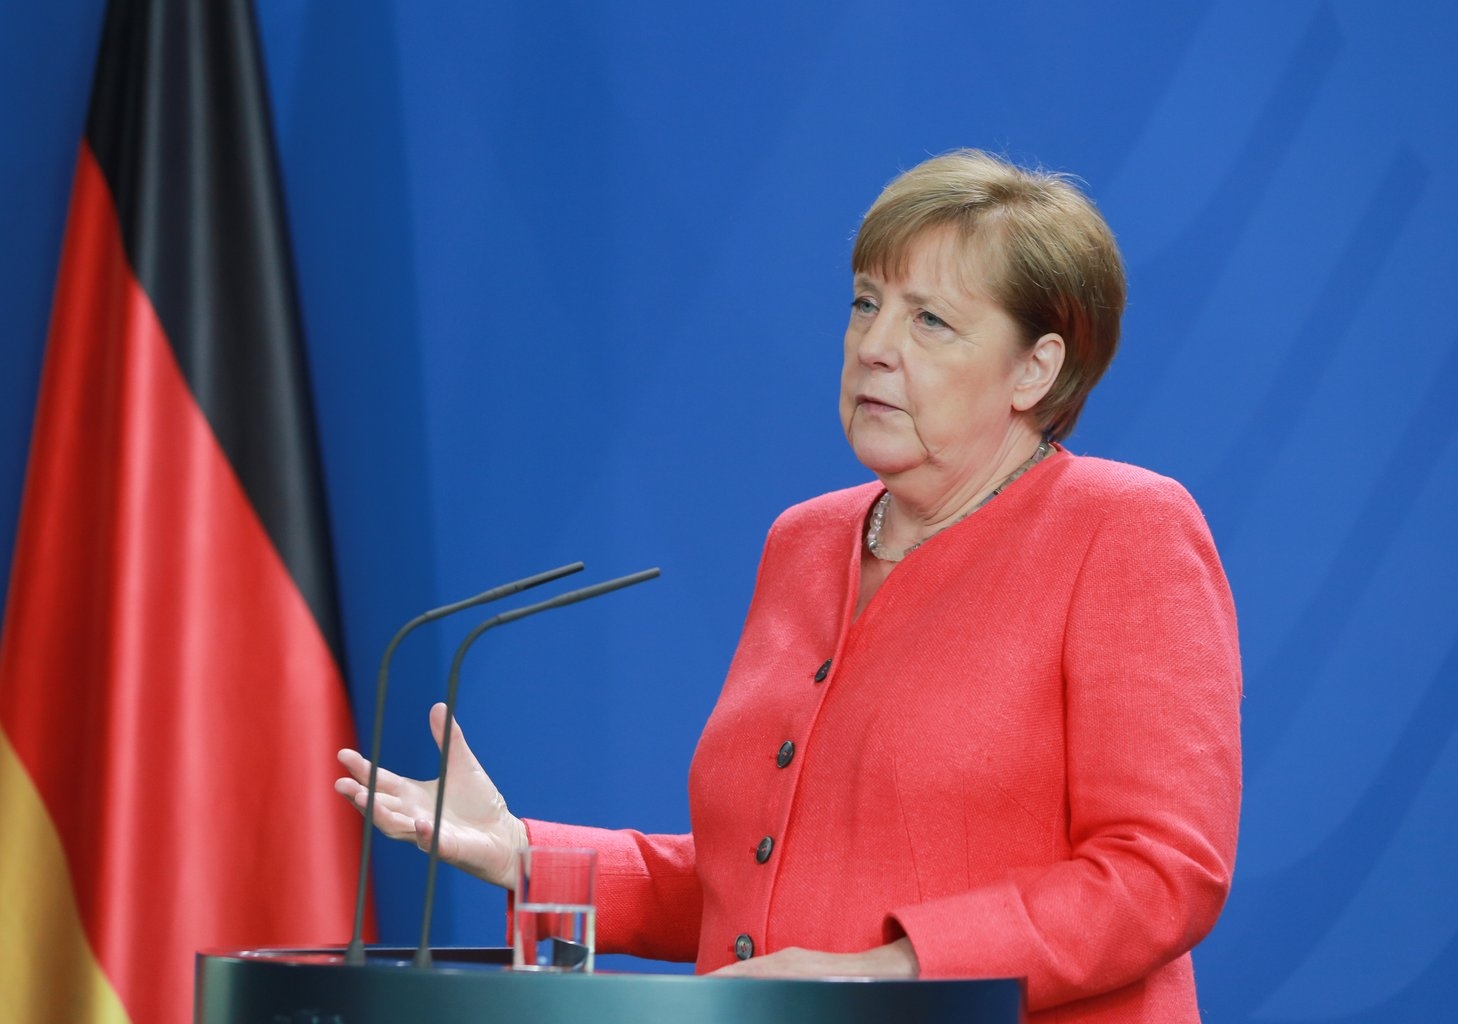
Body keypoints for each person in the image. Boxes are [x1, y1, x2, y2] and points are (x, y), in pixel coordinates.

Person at [336, 149, 1242, 1023]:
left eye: (930, 321)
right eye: (865, 304)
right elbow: (754, 890)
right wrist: (527, 852)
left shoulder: (1123, 529)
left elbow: (1160, 874)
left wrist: (889, 974)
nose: (875, 346)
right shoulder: (805, 541)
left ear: (1036, 369)